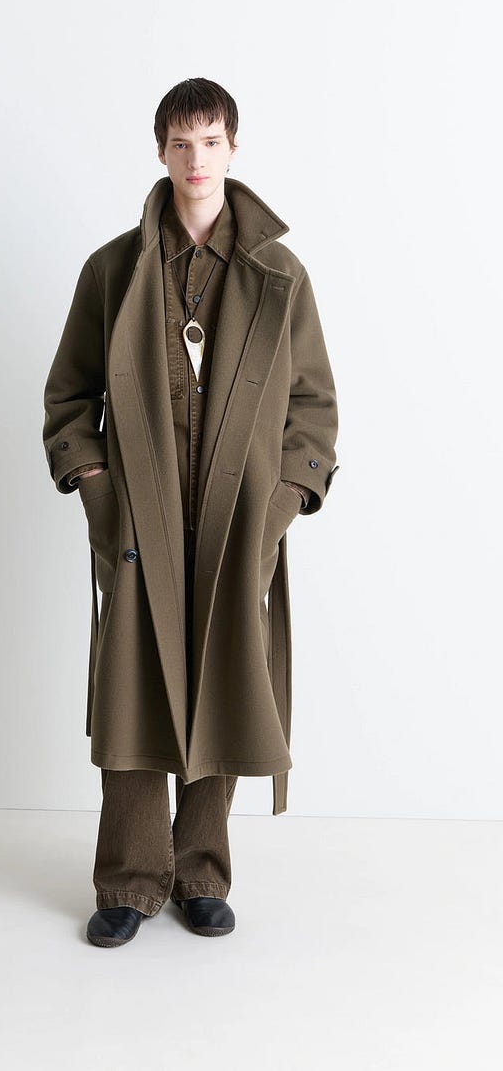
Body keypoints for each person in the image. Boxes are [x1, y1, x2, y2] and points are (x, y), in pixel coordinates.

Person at [43, 78, 338, 948]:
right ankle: (130, 880)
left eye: (210, 141)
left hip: (239, 521)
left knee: (225, 682)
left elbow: (314, 406)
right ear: (160, 152)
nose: (196, 159)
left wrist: (282, 500)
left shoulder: (281, 276)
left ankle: (202, 871)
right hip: (141, 521)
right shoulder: (113, 270)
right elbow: (68, 398)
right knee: (134, 693)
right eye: (180, 143)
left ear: (233, 148)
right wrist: (98, 487)